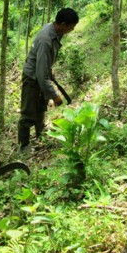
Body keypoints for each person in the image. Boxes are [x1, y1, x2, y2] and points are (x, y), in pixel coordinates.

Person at [18, 8, 79, 152]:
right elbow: (40, 75)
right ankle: (24, 145)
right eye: (71, 27)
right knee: (28, 113)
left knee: (40, 108)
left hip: (40, 73)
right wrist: (55, 96)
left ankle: (41, 135)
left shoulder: (54, 31)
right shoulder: (46, 39)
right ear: (63, 24)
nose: (72, 30)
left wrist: (48, 69)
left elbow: (44, 64)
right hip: (32, 77)